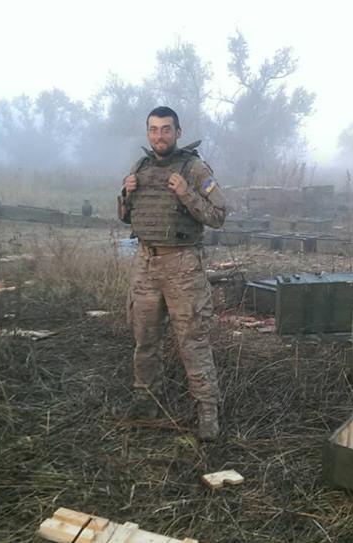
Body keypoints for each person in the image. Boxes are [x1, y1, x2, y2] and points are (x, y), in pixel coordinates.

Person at [117, 106, 227, 441]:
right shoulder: (140, 167)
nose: (159, 136)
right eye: (153, 129)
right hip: (145, 263)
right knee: (145, 338)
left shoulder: (194, 168)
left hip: (182, 265)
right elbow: (125, 216)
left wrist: (186, 193)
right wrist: (126, 194)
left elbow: (218, 215)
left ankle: (207, 411)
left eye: (166, 129)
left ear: (178, 132)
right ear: (147, 133)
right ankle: (146, 400)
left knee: (192, 341)